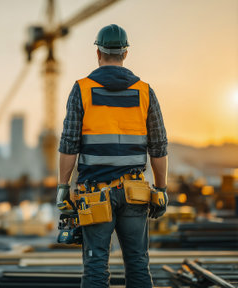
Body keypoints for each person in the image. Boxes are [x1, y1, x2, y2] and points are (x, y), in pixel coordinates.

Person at [57, 24, 168, 288]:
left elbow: (69, 144)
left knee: (96, 266)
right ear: (125, 53)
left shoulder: (81, 90)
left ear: (98, 52)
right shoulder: (144, 91)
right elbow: (159, 146)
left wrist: (63, 185)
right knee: (138, 263)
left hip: (95, 195)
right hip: (135, 193)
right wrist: (161, 188)